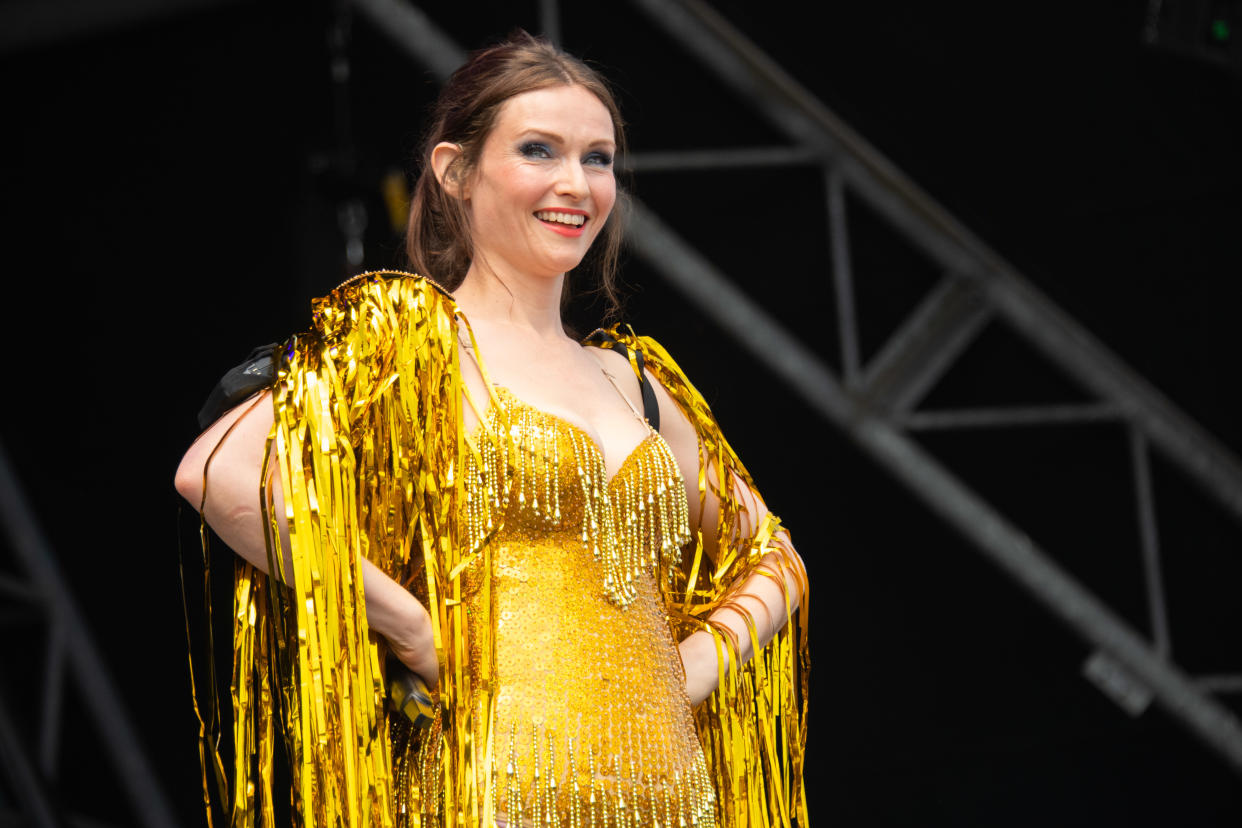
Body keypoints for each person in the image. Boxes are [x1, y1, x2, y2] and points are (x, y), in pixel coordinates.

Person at [176, 31, 808, 828]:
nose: (575, 183)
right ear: (455, 171)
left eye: (598, 158)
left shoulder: (633, 381)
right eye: (539, 151)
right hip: (490, 793)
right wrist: (410, 627)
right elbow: (221, 473)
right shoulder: (409, 345)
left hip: (670, 799)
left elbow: (774, 556)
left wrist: (685, 671)